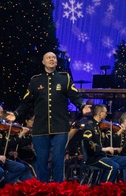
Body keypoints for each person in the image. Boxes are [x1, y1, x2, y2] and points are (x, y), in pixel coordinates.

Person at [9, 51, 86, 183]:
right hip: (40, 127)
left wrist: (82, 106)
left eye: (54, 58)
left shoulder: (64, 78)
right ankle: (42, 191)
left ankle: (58, 190)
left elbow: (74, 95)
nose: (51, 59)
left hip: (60, 126)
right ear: (43, 62)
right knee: (41, 162)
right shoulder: (35, 80)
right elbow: (26, 102)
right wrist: (16, 114)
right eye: (48, 58)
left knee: (57, 159)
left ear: (56, 62)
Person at [81, 105, 125, 182]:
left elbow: (107, 142)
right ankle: (104, 189)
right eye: (105, 112)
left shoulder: (102, 127)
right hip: (95, 158)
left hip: (104, 156)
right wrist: (104, 149)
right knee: (113, 166)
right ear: (99, 113)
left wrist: (114, 147)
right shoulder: (90, 126)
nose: (106, 114)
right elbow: (89, 143)